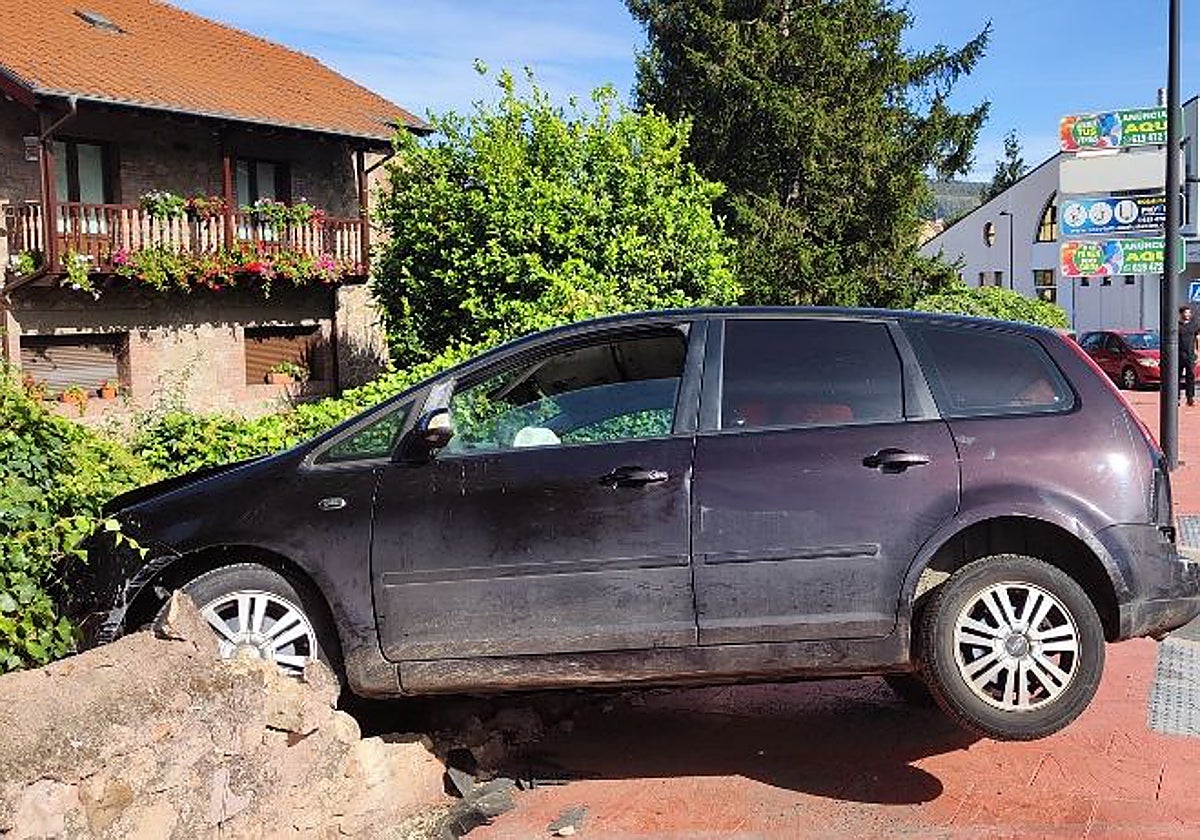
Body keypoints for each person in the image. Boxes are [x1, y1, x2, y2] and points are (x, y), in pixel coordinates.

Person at [1179, 306, 1199, 406]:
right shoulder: (1177, 326)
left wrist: (1197, 351)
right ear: (1181, 314)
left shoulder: (1194, 325)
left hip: (1190, 355)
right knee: (1176, 377)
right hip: (1179, 356)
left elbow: (1197, 338)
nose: (1188, 315)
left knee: (1190, 376)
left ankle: (1190, 398)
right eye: (1186, 313)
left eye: (1189, 313)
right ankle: (1176, 398)